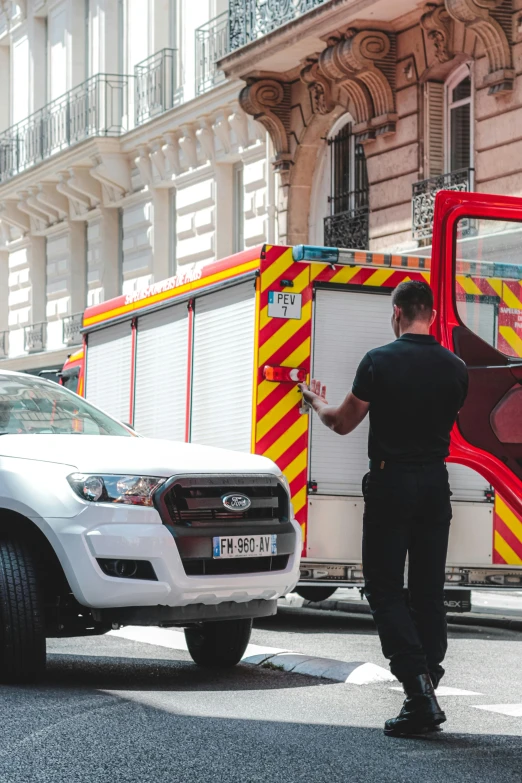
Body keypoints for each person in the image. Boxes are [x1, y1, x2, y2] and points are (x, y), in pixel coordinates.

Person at [299, 280, 468, 737]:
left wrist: (315, 401)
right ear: (431, 314)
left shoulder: (378, 362)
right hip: (436, 484)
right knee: (429, 591)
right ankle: (427, 682)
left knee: (383, 587)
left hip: (391, 482)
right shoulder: (456, 369)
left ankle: (417, 689)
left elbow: (341, 423)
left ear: (396, 314)